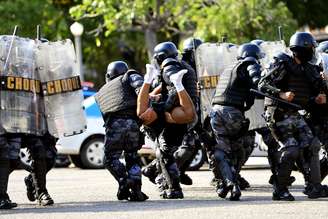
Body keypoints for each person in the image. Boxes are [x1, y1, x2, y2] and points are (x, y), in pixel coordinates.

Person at [259, 32, 328, 200]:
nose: (313, 52)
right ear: (302, 49)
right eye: (311, 48)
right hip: (278, 113)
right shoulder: (283, 63)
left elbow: (313, 90)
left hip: (294, 113)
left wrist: (318, 98)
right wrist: (281, 94)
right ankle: (279, 189)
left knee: (311, 144)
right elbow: (262, 85)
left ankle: (314, 186)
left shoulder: (307, 68)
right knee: (291, 150)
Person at [137, 41, 197, 199]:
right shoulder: (184, 66)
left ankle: (173, 188)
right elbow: (167, 88)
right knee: (167, 151)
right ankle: (155, 174)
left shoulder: (170, 67)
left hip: (174, 115)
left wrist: (164, 107)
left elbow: (173, 88)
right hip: (187, 114)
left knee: (164, 152)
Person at [210, 43, 262, 201]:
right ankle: (232, 183)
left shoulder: (229, 68)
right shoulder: (249, 63)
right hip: (232, 113)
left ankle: (228, 184)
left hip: (216, 112)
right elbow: (258, 81)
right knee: (238, 149)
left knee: (222, 150)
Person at [95, 61, 148, 201]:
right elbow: (141, 88)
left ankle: (124, 181)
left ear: (108, 75)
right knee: (132, 156)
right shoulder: (129, 76)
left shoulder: (101, 92)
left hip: (114, 125)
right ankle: (136, 190)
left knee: (109, 159)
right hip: (133, 124)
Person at [23, 132, 57, 206]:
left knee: (50, 158)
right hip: (27, 128)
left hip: (45, 126)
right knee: (38, 152)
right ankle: (41, 192)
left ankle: (31, 180)